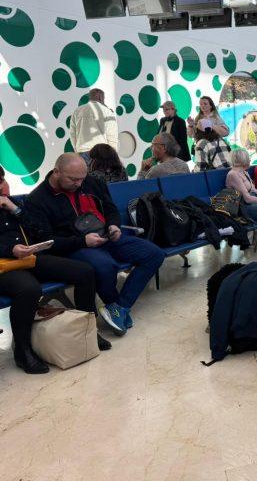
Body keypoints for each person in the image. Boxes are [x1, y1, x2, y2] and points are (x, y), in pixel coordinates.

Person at [24, 154, 165, 335]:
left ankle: (120, 308)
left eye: (82, 178)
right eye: (73, 179)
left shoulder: (91, 183)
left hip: (106, 236)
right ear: (57, 171)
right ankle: (114, 306)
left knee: (154, 254)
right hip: (75, 246)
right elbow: (47, 242)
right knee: (106, 266)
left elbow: (110, 208)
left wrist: (113, 224)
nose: (78, 184)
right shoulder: (37, 200)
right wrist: (83, 241)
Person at [0, 190, 111, 374]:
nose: (3, 187)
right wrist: (10, 249)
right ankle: (23, 351)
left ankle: (87, 330)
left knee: (84, 272)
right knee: (29, 290)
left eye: (3, 181)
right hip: (4, 266)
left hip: (28, 257)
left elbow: (38, 231)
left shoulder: (10, 203)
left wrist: (15, 210)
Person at [70, 88, 118, 163]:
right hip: (101, 154)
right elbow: (112, 137)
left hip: (82, 152)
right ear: (101, 97)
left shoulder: (77, 111)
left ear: (90, 97)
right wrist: (113, 156)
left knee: (83, 175)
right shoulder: (108, 112)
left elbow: (73, 135)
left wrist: (77, 150)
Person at [186, 96, 231, 172]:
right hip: (202, 147)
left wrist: (212, 125)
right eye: (201, 104)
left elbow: (226, 132)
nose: (203, 106)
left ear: (211, 106)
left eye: (205, 104)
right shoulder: (197, 118)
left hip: (215, 148)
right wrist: (191, 126)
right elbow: (191, 135)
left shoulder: (216, 117)